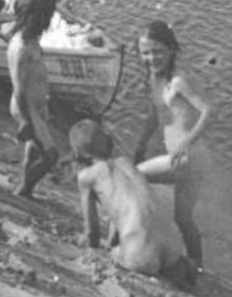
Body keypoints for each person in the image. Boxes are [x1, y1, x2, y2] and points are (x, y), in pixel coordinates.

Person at [71, 119, 197, 285]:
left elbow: (92, 230)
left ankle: (150, 264)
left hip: (141, 251)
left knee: (114, 252)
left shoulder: (87, 177)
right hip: (173, 246)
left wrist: (98, 248)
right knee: (145, 232)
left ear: (79, 153)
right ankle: (178, 268)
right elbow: (127, 206)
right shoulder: (126, 162)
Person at [133, 20, 211, 268]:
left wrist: (186, 142)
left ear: (171, 50)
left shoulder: (179, 81)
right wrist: (141, 146)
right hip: (194, 163)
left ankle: (142, 242)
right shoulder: (155, 79)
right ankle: (198, 266)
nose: (151, 58)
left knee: (135, 178)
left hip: (188, 158)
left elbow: (209, 111)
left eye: (157, 51)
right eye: (145, 52)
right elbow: (154, 117)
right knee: (183, 218)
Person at [7, 0, 59, 196]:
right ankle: (23, 189)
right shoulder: (21, 48)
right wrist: (26, 121)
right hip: (26, 106)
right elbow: (19, 88)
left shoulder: (31, 40)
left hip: (37, 104)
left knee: (32, 152)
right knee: (50, 156)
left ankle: (25, 188)